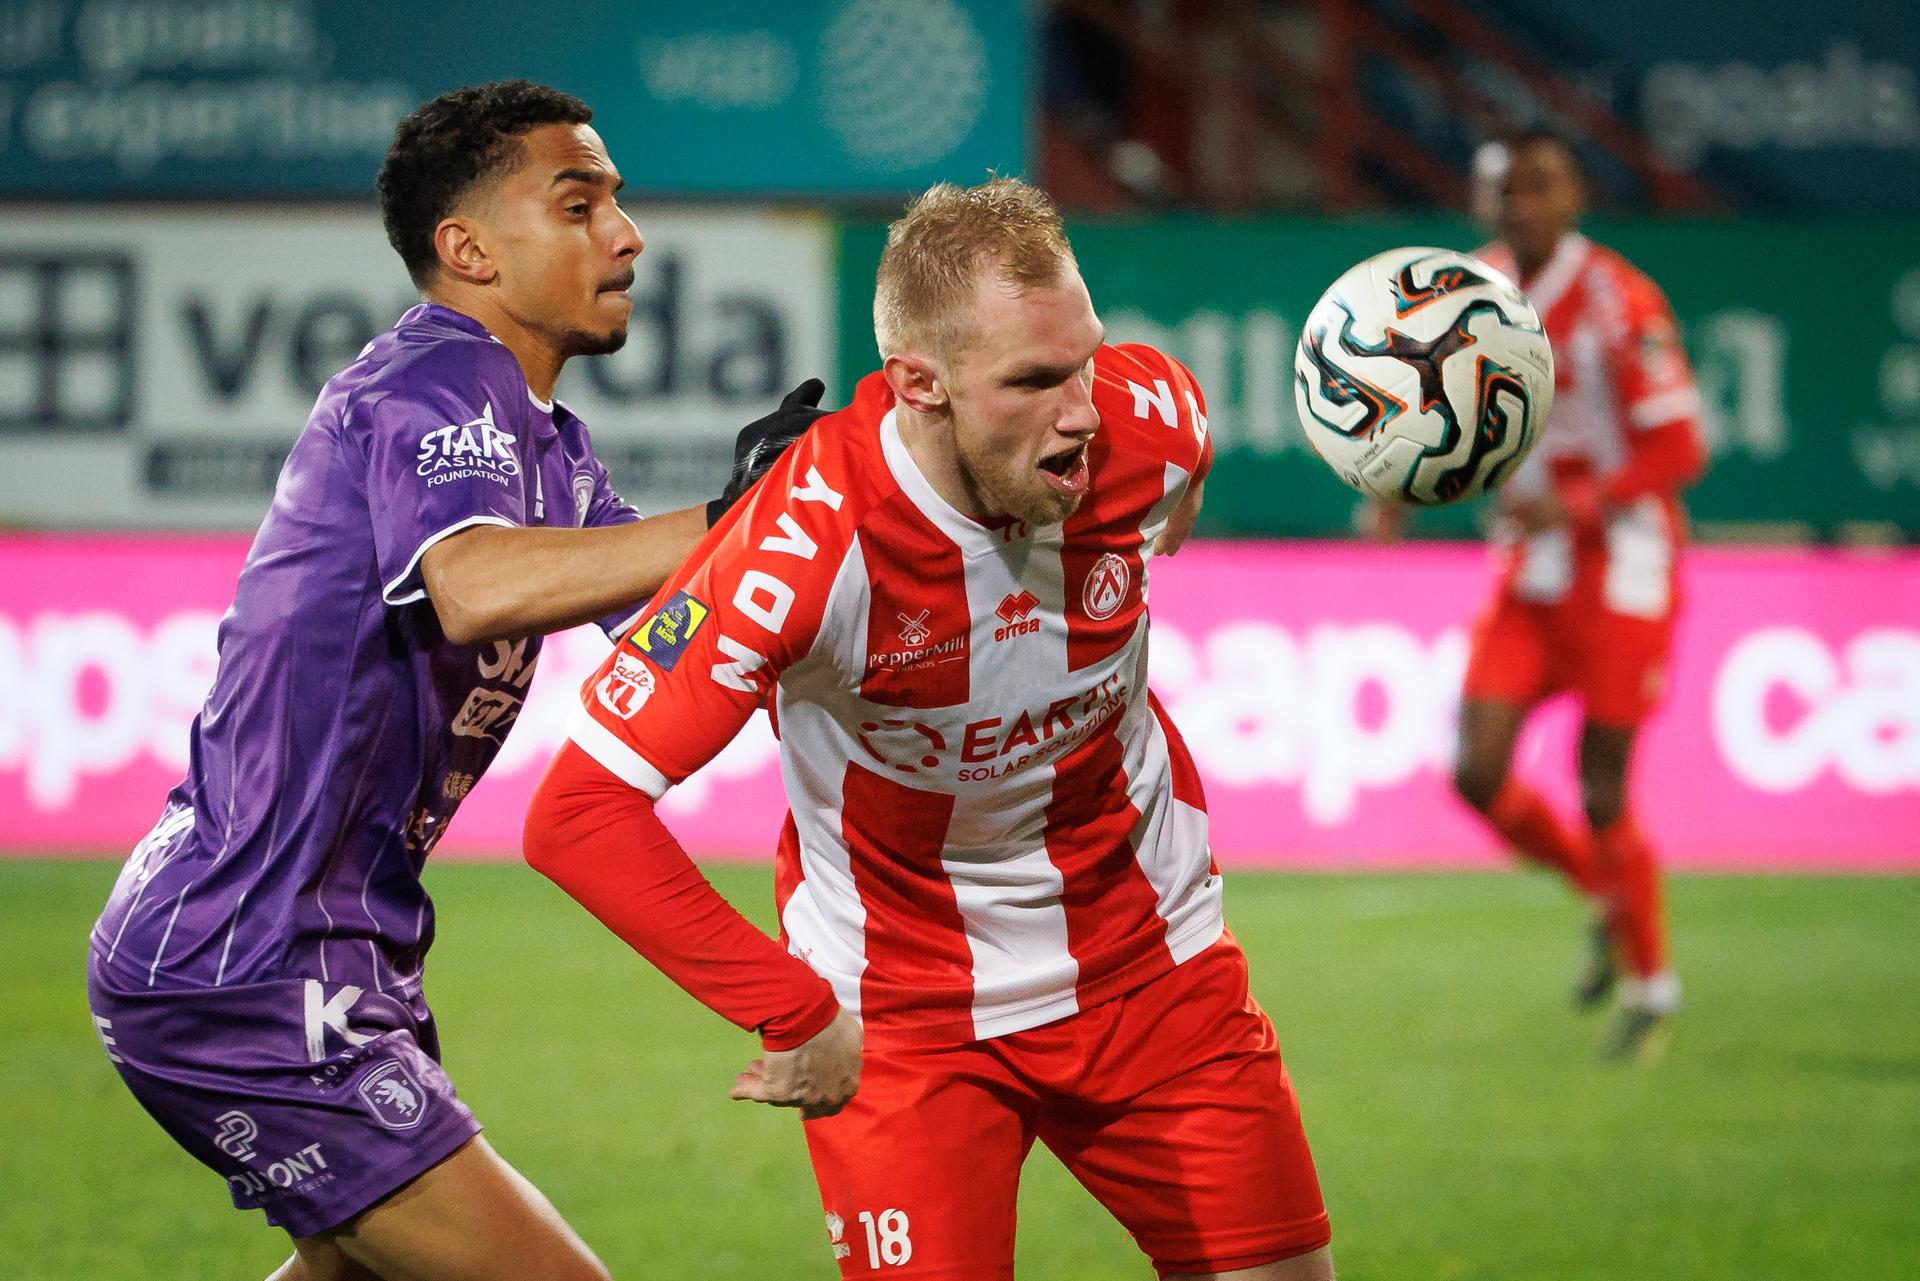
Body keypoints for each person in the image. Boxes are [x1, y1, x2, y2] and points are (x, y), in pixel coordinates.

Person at [84, 80, 840, 1281]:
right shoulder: (431, 382)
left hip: (323, 941)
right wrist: (735, 516)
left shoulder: (546, 442)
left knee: (355, 1271)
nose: (627, 235)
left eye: (618, 204)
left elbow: (667, 615)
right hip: (249, 953)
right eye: (580, 203)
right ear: (468, 248)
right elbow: (477, 587)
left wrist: (819, 525)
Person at [525, 177, 1334, 1280]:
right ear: (920, 385)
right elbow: (576, 815)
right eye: (1034, 382)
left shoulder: (1142, 420)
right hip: (902, 1017)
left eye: (1086, 359)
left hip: (1154, 970)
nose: (1083, 411)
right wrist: (790, 1011)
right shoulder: (804, 542)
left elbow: (1176, 473)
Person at [1448, 130, 1707, 1062]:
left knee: (1603, 786)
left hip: (1623, 566)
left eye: (1541, 186)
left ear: (1573, 199)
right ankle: (1601, 891)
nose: (1523, 204)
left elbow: (1683, 449)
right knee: (1476, 769)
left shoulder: (1618, 301)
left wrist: (1583, 501)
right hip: (1534, 566)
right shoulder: (1469, 293)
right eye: (1508, 188)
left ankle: (1650, 984)